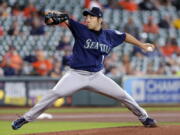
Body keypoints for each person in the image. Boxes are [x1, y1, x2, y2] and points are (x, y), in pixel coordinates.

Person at [11, 7, 157, 130]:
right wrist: (52, 15)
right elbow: (63, 18)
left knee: (123, 96)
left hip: (97, 76)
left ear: (99, 19)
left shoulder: (110, 35)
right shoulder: (80, 28)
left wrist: (142, 45)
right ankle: (25, 118)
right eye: (86, 17)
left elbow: (125, 36)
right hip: (76, 75)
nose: (87, 19)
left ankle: (145, 118)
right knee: (54, 93)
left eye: (91, 17)